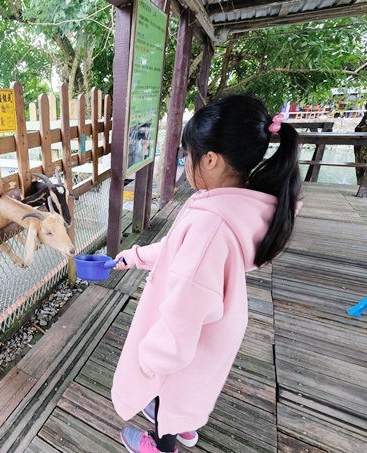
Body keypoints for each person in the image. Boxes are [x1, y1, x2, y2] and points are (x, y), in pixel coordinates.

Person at [112, 94, 301, 453]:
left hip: (190, 339)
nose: (185, 162)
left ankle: (161, 444)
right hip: (217, 328)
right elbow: (176, 254)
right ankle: (183, 427)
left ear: (211, 159)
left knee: (168, 387)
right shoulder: (236, 204)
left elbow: (181, 317)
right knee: (190, 388)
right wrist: (134, 256)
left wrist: (149, 360)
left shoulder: (210, 223)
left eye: (188, 154)